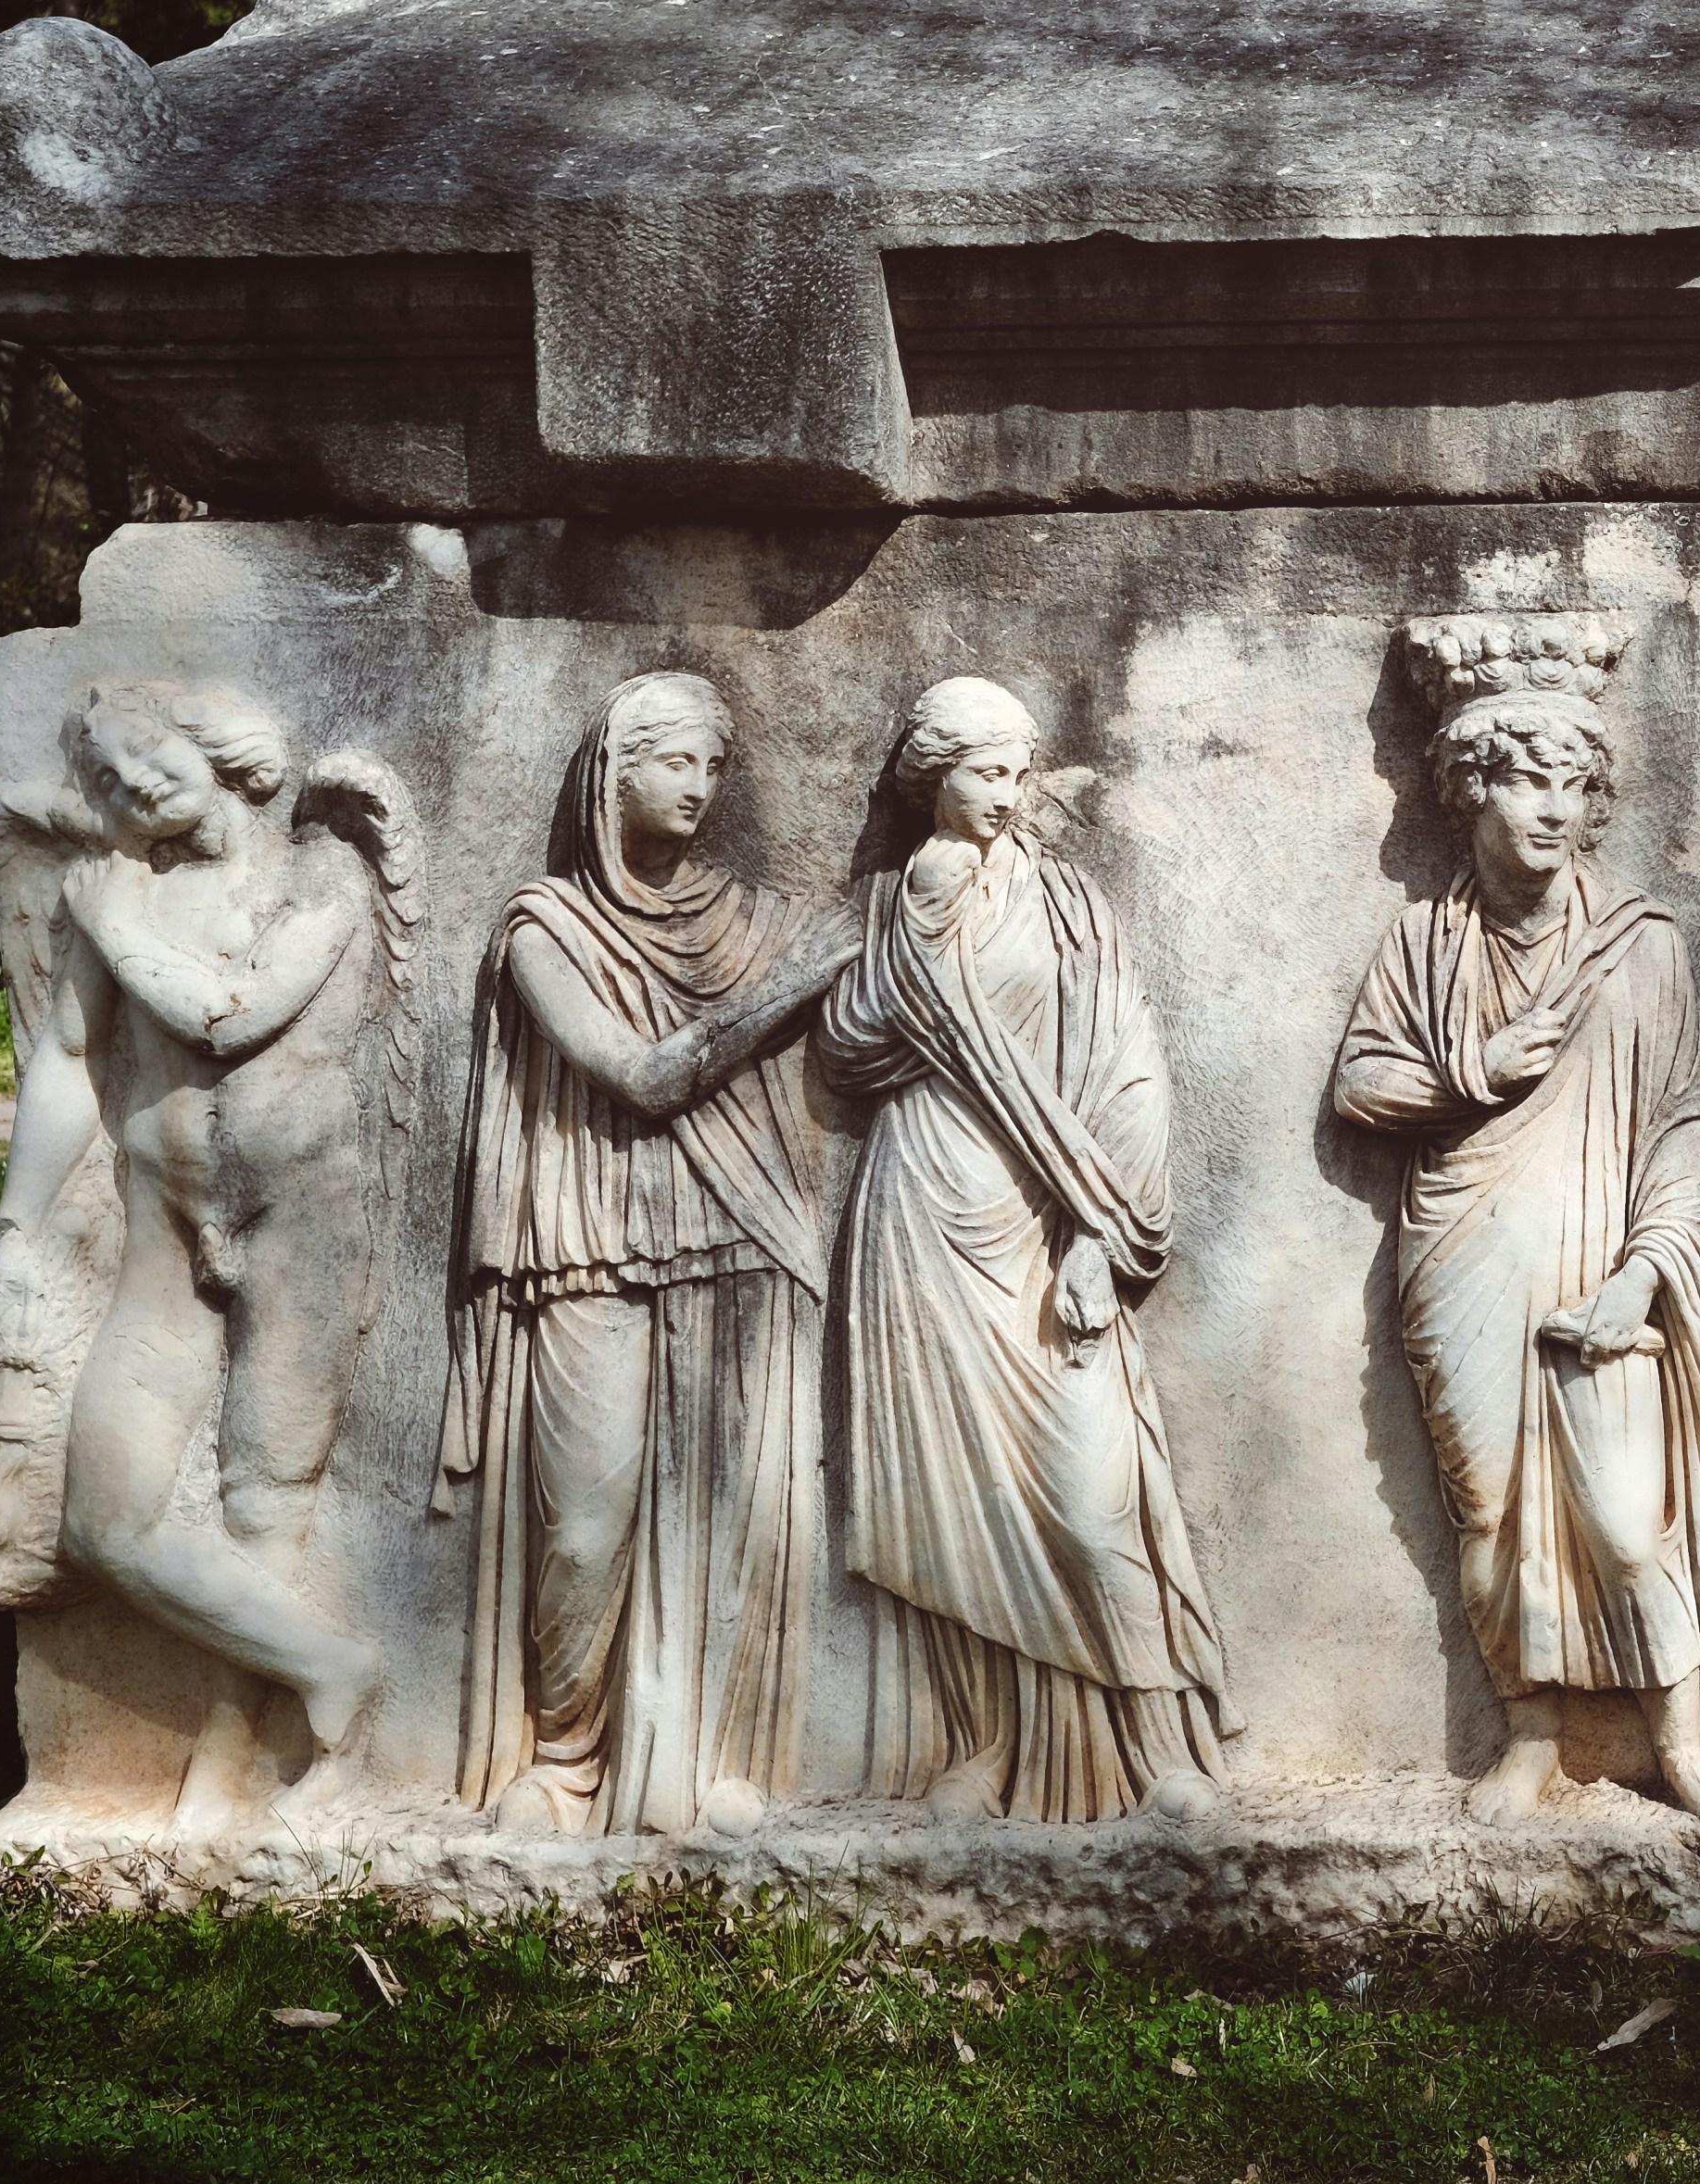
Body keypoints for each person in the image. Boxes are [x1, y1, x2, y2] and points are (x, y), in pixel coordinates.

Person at [1330, 614, 1700, 1836]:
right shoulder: (1426, 945)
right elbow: (1361, 1087)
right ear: (1469, 789)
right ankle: (1528, 1733)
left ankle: (1682, 1742)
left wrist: (1645, 1275)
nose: (1552, 808)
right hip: (1465, 1255)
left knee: (1629, 1525)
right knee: (1491, 1518)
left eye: (1575, 784)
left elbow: (1685, 1125)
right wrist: (1474, 1068)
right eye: (1525, 777)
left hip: (1603, 1269)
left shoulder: (1641, 947)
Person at [0, 681, 416, 1834]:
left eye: (147, 758)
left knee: (264, 1497)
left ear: (212, 741)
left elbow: (232, 1013)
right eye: (110, 782)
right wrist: (18, 1224)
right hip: (164, 1221)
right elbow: (70, 1063)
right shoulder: (117, 889)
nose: (135, 791)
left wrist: (111, 923)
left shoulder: (316, 873)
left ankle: (233, 1769)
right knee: (103, 1519)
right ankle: (334, 1666)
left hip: (303, 1220)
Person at [442, 671, 850, 1838]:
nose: (702, 787)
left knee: (732, 1511)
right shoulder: (544, 928)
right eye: (677, 761)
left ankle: (709, 1757)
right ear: (613, 770)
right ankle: (568, 1759)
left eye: (716, 766)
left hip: (741, 1233)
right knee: (585, 1519)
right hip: (593, 1241)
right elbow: (643, 1074)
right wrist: (791, 987)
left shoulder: (756, 915)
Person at [821, 676, 1228, 1823]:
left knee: (1090, 1493)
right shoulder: (899, 897)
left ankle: (1158, 1746)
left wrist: (1104, 1234)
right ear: (930, 775)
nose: (1007, 795)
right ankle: (986, 1745)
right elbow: (848, 1049)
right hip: (921, 1214)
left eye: (1018, 772)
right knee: (957, 1492)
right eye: (985, 772)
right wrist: (920, 935)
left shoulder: (1069, 906)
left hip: (1047, 1216)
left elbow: (1128, 1070)